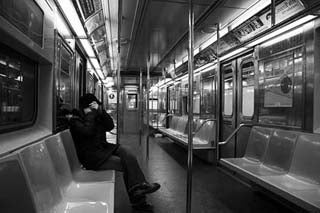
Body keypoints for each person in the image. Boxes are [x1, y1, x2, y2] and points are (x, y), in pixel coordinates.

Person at [68, 93, 160, 211]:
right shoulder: (75, 121)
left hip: (103, 149)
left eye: (95, 107)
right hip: (92, 157)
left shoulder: (96, 116)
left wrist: (101, 112)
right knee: (126, 165)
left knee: (128, 153)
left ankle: (139, 187)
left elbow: (110, 126)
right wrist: (91, 114)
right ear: (84, 108)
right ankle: (139, 201)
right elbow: (88, 132)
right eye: (91, 107)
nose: (94, 110)